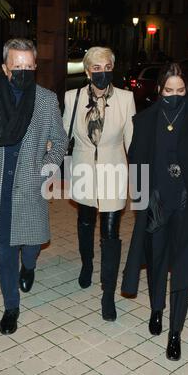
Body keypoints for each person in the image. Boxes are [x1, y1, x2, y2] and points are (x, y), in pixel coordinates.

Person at [0, 38, 68, 335]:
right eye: (16, 66)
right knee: (5, 249)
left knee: (33, 244)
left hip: (29, 184)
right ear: (4, 67)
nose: (22, 70)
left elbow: (60, 142)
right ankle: (11, 306)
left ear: (35, 67)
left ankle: (30, 266)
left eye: (28, 66)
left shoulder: (46, 100)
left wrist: (44, 170)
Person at [121, 63, 188, 360]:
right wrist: (142, 201)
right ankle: (156, 310)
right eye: (169, 90)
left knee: (182, 267)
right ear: (159, 89)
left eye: (180, 90)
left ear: (186, 90)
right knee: (156, 261)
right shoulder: (146, 120)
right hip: (156, 203)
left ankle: (175, 332)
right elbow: (136, 163)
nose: (174, 95)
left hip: (187, 206)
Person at [63, 46, 136, 321]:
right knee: (84, 222)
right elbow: (62, 136)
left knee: (110, 233)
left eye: (107, 67)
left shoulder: (126, 99)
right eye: (96, 68)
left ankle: (108, 293)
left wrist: (143, 186)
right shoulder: (73, 98)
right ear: (87, 71)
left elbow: (133, 143)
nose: (102, 72)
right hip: (83, 170)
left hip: (114, 172)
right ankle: (86, 264)